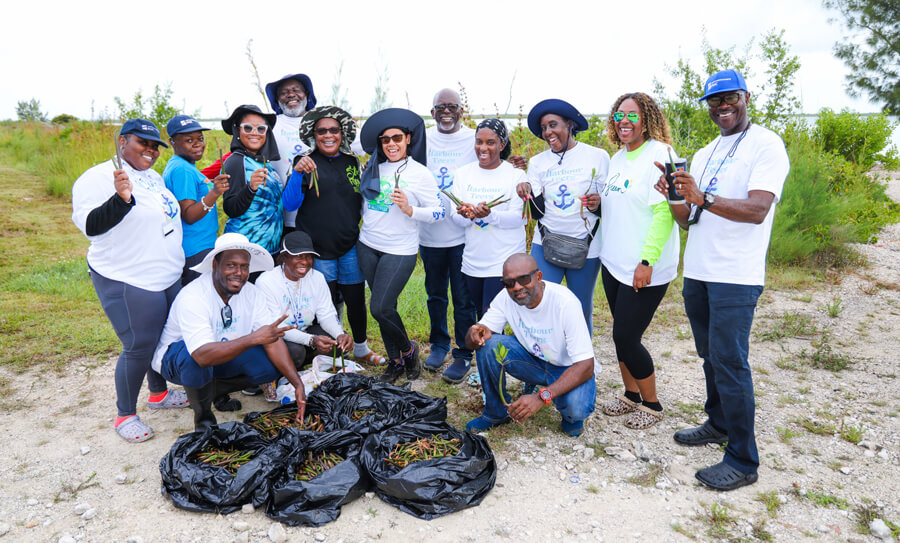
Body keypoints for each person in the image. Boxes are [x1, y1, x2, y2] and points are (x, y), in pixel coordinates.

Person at [654, 69, 790, 491]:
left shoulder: (766, 144)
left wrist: (704, 197)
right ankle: (718, 423)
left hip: (736, 274)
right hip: (699, 270)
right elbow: (688, 221)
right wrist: (674, 195)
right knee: (710, 355)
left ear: (746, 96)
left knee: (730, 361)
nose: (722, 107)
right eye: (714, 101)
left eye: (730, 98)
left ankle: (743, 460)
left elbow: (757, 210)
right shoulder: (705, 152)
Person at [71, 118, 187, 443]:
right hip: (128, 276)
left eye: (154, 146)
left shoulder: (152, 176)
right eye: (142, 143)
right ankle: (125, 414)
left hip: (165, 273)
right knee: (138, 345)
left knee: (159, 337)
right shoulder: (97, 177)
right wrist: (121, 199)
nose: (150, 151)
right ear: (122, 141)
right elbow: (91, 226)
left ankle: (158, 394)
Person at [151, 233, 307, 431]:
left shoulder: (252, 293)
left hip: (223, 353)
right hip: (178, 360)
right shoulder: (194, 296)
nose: (239, 273)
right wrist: (252, 338)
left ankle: (214, 390)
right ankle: (204, 421)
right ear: (215, 265)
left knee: (280, 360)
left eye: (244, 266)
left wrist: (298, 384)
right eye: (231, 265)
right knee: (195, 361)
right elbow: (201, 355)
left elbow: (271, 340)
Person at [598, 93, 679, 430]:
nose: (625, 121)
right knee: (620, 334)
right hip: (613, 262)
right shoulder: (616, 158)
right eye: (619, 115)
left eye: (632, 115)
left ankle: (652, 404)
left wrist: (647, 260)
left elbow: (665, 214)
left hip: (643, 266)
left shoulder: (662, 155)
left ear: (646, 119)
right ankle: (630, 395)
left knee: (627, 337)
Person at [283, 106, 382, 365]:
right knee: (326, 302)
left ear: (342, 133)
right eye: (321, 131)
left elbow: (362, 200)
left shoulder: (352, 161)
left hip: (349, 243)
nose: (328, 135)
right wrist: (298, 172)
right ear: (313, 135)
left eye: (334, 130)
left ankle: (360, 348)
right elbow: (290, 203)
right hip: (318, 248)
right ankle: (332, 351)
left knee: (355, 299)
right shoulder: (305, 161)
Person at [464, 254, 597, 437]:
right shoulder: (505, 298)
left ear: (539, 277)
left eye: (524, 279)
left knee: (577, 407)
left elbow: (586, 366)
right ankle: (496, 412)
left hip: (566, 369)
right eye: (509, 283)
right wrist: (474, 335)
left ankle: (570, 417)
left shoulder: (565, 303)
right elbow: (475, 338)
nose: (517, 287)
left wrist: (542, 397)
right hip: (532, 361)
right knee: (488, 345)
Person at [357, 108, 444, 384]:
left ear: (408, 139)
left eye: (397, 138)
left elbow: (439, 212)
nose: (391, 144)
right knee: (388, 308)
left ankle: (408, 349)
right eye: (385, 140)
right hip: (367, 245)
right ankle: (395, 363)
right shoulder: (372, 167)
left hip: (399, 249)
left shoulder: (420, 173)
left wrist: (410, 209)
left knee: (380, 308)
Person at [516, 99, 609, 331]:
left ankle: (583, 354)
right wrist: (526, 192)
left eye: (553, 125)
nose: (547, 132)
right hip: (546, 243)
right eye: (543, 128)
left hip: (586, 244)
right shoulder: (537, 163)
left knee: (581, 307)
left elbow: (609, 206)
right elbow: (537, 213)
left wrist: (598, 204)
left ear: (570, 124)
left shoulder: (597, 156)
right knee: (541, 304)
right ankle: (547, 352)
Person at [447, 119, 527, 382]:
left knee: (493, 318)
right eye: (479, 142)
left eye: (490, 142)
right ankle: (465, 358)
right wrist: (466, 214)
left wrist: (489, 216)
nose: (483, 148)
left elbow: (519, 218)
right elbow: (456, 218)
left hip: (502, 261)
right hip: (473, 258)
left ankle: (493, 372)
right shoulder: (464, 174)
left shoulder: (515, 175)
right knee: (467, 311)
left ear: (502, 145)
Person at [420, 88, 478, 381]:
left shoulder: (473, 138)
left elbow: (496, 158)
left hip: (463, 235)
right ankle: (439, 344)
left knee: (463, 298)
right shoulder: (421, 137)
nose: (446, 111)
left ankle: (464, 352)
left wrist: (516, 163)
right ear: (432, 112)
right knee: (435, 295)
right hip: (429, 234)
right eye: (440, 107)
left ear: (461, 111)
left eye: (452, 106)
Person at [256, 230, 353, 368]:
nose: (305, 262)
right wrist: (311, 340)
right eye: (298, 256)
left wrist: (339, 334)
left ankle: (301, 363)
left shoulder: (317, 277)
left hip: (305, 334)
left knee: (336, 343)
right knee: (295, 352)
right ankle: (284, 366)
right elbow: (276, 327)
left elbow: (326, 314)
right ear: (284, 257)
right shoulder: (266, 281)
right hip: (278, 338)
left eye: (309, 257)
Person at [164, 115, 230, 286]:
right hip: (196, 250)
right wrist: (214, 193)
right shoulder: (182, 170)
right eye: (189, 140)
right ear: (172, 142)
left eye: (200, 139)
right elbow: (189, 215)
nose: (197, 144)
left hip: (199, 246)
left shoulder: (184, 166)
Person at [221, 105, 283, 255]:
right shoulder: (236, 162)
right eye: (248, 128)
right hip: (245, 251)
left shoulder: (265, 163)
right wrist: (250, 188)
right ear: (238, 130)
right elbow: (231, 209)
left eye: (261, 129)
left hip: (269, 250)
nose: (254, 133)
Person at [264, 73, 317, 233]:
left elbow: (366, 143)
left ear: (306, 94)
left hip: (318, 214)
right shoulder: (269, 125)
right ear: (277, 99)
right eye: (284, 92)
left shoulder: (322, 122)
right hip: (281, 216)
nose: (291, 95)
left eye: (296, 90)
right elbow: (245, 152)